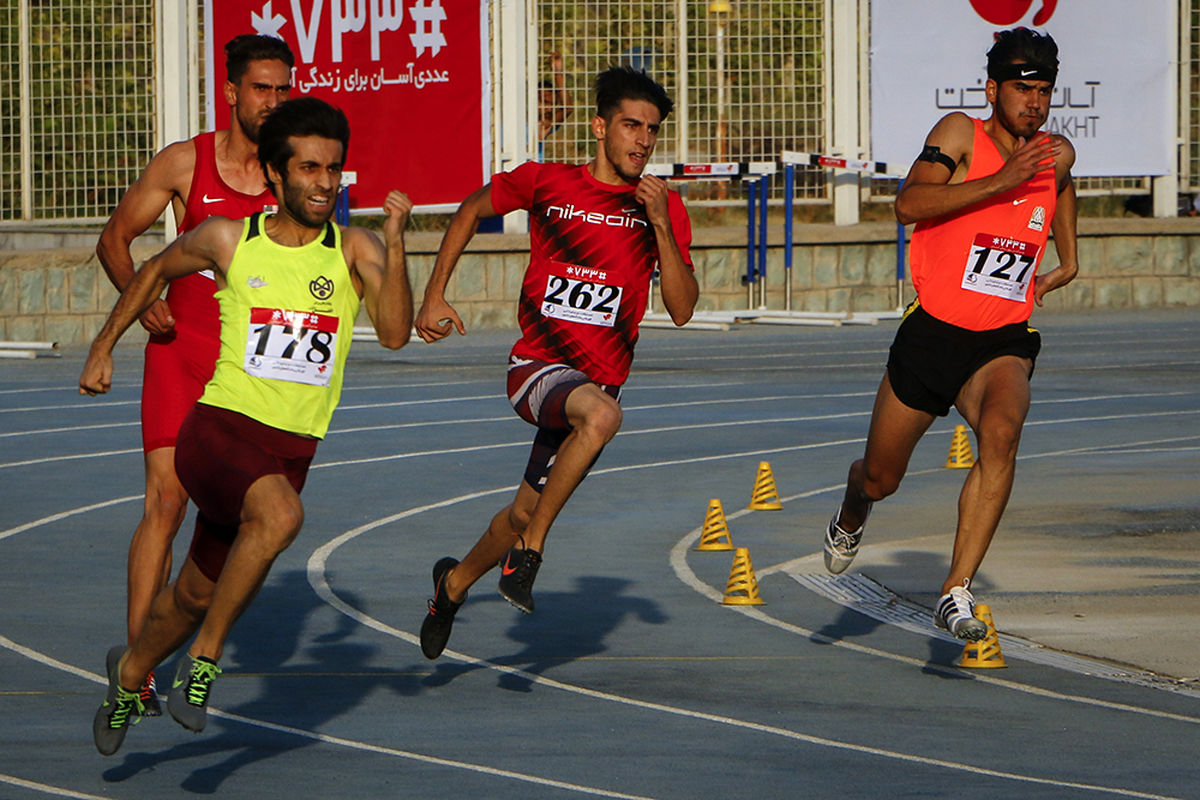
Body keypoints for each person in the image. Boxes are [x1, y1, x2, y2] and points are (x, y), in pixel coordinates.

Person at [83, 97, 415, 755]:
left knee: (190, 597)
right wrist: (103, 344)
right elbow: (154, 268)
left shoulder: (355, 249)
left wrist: (397, 242)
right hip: (219, 432)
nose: (324, 182)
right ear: (276, 173)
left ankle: (127, 674)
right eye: (310, 168)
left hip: (289, 452)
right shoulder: (230, 238)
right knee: (283, 518)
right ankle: (203, 664)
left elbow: (398, 333)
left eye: (334, 170)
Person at [414, 66, 698, 660]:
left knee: (522, 507)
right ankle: (530, 554)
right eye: (630, 125)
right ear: (600, 128)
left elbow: (681, 310)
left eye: (652, 130)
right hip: (538, 368)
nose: (642, 140)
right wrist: (435, 293)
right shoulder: (548, 183)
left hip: (596, 384)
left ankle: (454, 585)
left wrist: (663, 231)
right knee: (601, 420)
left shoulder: (662, 210)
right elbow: (469, 209)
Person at [822, 28, 1078, 640]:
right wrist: (1000, 180)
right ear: (993, 89)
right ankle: (854, 506)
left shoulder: (1054, 153)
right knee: (883, 477)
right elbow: (909, 205)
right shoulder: (959, 133)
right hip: (933, 334)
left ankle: (955, 590)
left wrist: (1068, 260)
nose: (1034, 103)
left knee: (1002, 434)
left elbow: (1062, 188)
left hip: (1002, 339)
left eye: (1043, 91)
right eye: (1022, 89)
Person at [95, 34, 294, 715]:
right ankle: (137, 667)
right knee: (165, 500)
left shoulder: (289, 173)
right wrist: (142, 298)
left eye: (282, 89)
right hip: (181, 354)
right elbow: (116, 238)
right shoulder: (185, 163)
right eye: (262, 88)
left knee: (236, 521)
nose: (273, 101)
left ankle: (169, 638)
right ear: (232, 92)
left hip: (248, 372)